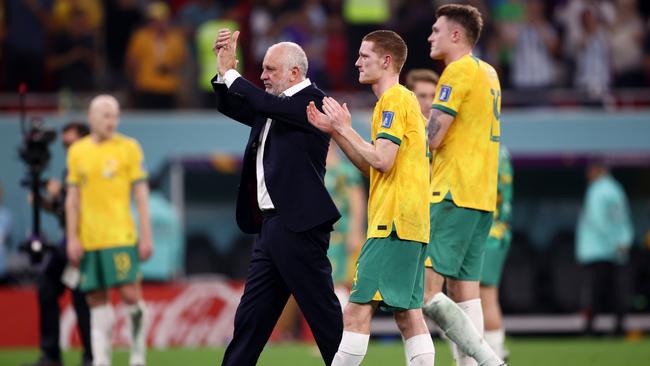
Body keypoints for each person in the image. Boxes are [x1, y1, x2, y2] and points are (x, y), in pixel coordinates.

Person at [212, 30, 343, 365]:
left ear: (294, 73)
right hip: (270, 227)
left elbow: (261, 101)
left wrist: (233, 75)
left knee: (323, 317)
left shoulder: (313, 102)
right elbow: (233, 105)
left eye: (270, 70)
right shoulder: (274, 106)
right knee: (251, 319)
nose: (264, 76)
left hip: (299, 226)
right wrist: (221, 71)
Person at [307, 30, 434, 366]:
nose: (357, 62)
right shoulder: (396, 102)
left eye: (365, 56)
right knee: (409, 316)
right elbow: (373, 167)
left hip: (392, 222)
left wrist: (344, 128)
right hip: (411, 223)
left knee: (355, 313)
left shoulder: (394, 99)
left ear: (387, 61)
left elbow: (381, 159)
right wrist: (339, 130)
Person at [422, 4, 504, 366]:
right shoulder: (489, 72)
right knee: (466, 292)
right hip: (482, 196)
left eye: (436, 30)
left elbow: (434, 138)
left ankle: (488, 361)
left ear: (456, 35)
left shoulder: (455, 71)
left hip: (452, 192)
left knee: (424, 292)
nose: (430, 36)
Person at [66, 95, 153, 366]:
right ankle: (101, 360)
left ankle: (137, 354)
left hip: (121, 236)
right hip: (89, 239)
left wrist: (146, 235)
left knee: (130, 295)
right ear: (91, 118)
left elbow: (140, 194)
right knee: (96, 299)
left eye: (115, 115)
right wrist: (71, 238)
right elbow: (73, 199)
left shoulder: (128, 148)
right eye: (105, 115)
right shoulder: (77, 151)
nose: (111, 121)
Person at [24, 122, 93, 366]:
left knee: (82, 297)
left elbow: (88, 207)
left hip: (89, 241)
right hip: (68, 241)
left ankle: (90, 356)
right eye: (64, 145)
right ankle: (51, 354)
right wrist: (46, 203)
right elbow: (66, 211)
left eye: (71, 143)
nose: (67, 149)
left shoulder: (90, 165)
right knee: (46, 286)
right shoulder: (70, 169)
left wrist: (61, 193)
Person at [576, 161, 634, 335]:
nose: (588, 174)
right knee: (615, 289)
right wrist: (623, 242)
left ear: (599, 170)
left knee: (595, 292)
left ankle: (590, 328)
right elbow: (623, 219)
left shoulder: (597, 191)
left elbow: (599, 221)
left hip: (597, 250)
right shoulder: (617, 189)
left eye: (590, 170)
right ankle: (618, 326)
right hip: (616, 249)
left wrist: (613, 242)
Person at [479, 145, 513, 361]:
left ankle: (496, 353)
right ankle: (495, 351)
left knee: (485, 298)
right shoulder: (502, 150)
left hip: (486, 233)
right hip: (499, 229)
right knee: (485, 298)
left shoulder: (484, 148)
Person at [325, 143, 366, 307]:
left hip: (342, 234)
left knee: (340, 279)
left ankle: (342, 320)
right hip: (323, 235)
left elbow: (358, 202)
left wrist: (356, 231)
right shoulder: (317, 170)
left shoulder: (346, 171)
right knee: (325, 279)